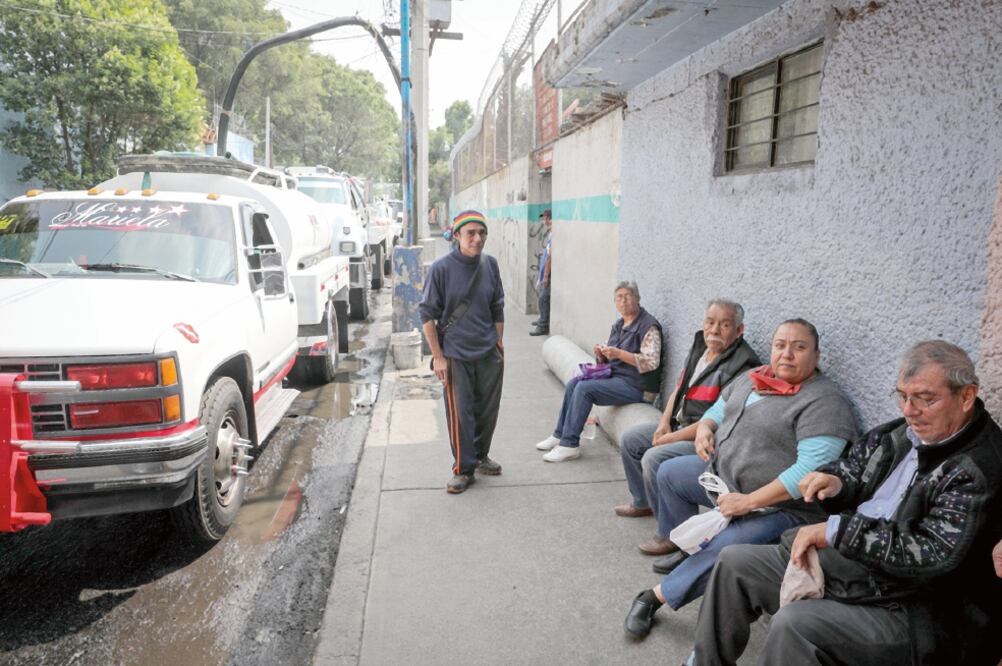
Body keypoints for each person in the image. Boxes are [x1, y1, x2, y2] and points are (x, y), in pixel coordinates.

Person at [692, 340, 1002, 666]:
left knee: (795, 625)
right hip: (854, 567)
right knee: (734, 565)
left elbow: (931, 553)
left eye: (926, 399)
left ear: (966, 396)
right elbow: (853, 468)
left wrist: (838, 531)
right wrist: (834, 482)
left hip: (918, 606)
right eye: (902, 396)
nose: (909, 410)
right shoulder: (901, 433)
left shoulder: (979, 467)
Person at [625, 318, 858, 638]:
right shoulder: (754, 378)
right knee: (668, 473)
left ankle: (654, 596)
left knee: (726, 548)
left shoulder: (825, 402)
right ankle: (687, 550)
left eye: (799, 347)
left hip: (781, 508)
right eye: (780, 345)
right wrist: (704, 431)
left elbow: (808, 472)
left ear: (816, 356)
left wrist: (747, 502)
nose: (787, 354)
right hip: (726, 480)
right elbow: (715, 413)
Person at [615, 298, 760, 519]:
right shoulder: (700, 347)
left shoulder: (743, 366)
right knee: (631, 440)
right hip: (679, 425)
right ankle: (644, 502)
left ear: (739, 330)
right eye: (710, 322)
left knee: (654, 458)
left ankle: (673, 531)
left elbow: (719, 421)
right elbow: (679, 388)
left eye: (725, 325)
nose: (714, 330)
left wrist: (671, 438)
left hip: (708, 440)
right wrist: (664, 423)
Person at [419, 210, 505, 494]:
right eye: (471, 233)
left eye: (482, 233)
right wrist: (439, 357)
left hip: (488, 352)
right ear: (457, 235)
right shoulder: (441, 269)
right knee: (461, 413)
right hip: (456, 353)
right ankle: (463, 468)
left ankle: (480, 456)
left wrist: (499, 343)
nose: (478, 239)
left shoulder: (490, 265)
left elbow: (497, 306)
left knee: (487, 412)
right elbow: (427, 315)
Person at [536, 281, 663, 462]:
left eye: (628, 296)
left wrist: (619, 353)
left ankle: (569, 444)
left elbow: (652, 362)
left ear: (638, 299)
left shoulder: (648, 326)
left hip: (638, 386)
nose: (624, 301)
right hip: (619, 378)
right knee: (574, 383)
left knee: (585, 389)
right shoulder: (619, 325)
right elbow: (611, 356)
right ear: (615, 302)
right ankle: (559, 434)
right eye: (619, 297)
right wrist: (602, 354)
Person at [530, 208, 552, 336]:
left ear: (549, 218)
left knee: (544, 298)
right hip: (546, 272)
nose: (543, 221)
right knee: (543, 296)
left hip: (548, 274)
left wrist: (545, 275)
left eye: (544, 218)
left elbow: (551, 256)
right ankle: (541, 319)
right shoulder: (550, 233)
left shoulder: (554, 234)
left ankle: (543, 325)